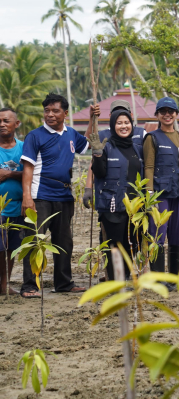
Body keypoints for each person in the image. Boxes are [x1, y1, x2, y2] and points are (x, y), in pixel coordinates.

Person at [20, 94, 90, 297]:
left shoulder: (71, 134)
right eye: (46, 111)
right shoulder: (35, 136)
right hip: (40, 196)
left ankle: (63, 283)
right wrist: (27, 197)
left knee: (64, 242)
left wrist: (93, 118)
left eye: (55, 111)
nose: (49, 114)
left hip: (64, 195)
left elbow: (86, 144)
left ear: (65, 113)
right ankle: (30, 285)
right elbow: (27, 168)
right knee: (34, 239)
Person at [142, 97, 179, 282]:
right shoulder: (152, 138)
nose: (167, 115)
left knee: (177, 236)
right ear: (157, 114)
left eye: (170, 111)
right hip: (160, 194)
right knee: (157, 235)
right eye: (162, 111)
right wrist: (149, 194)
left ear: (176, 114)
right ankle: (157, 278)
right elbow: (148, 166)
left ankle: (173, 278)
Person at [90, 109, 144, 281]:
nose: (124, 126)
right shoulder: (106, 146)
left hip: (134, 207)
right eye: (119, 123)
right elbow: (99, 173)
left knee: (133, 245)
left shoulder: (138, 148)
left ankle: (125, 277)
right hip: (113, 205)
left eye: (126, 122)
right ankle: (114, 281)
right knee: (114, 246)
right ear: (113, 126)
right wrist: (97, 155)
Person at [82, 99, 144, 211]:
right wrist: (88, 188)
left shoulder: (141, 133)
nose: (120, 116)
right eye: (116, 113)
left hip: (135, 195)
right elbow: (94, 162)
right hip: (111, 195)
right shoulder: (102, 135)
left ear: (130, 115)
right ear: (111, 116)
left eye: (124, 113)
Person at [0, 108, 23, 295]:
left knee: (10, 248)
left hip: (17, 206)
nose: (2, 124)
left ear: (16, 124)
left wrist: (10, 173)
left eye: (6, 121)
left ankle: (5, 284)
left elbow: (31, 173)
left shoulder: (24, 148)